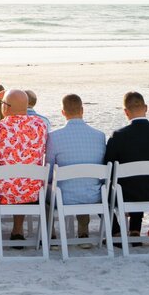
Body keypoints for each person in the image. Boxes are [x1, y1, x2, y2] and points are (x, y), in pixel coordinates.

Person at [0, 89, 48, 241]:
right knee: (22, 176)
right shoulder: (40, 126)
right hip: (31, 193)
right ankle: (17, 230)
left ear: (6, 107)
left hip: (0, 194)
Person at [103, 91, 149, 238]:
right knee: (141, 178)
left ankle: (115, 230)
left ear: (126, 112)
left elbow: (107, 167)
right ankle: (134, 229)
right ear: (146, 108)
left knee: (106, 190)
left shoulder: (118, 136)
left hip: (125, 196)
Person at [45, 94, 107, 241]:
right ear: (82, 110)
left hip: (63, 197)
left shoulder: (54, 136)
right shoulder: (99, 135)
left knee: (44, 189)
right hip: (94, 195)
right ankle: (83, 228)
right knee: (85, 179)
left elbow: (48, 171)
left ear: (63, 112)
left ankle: (51, 234)